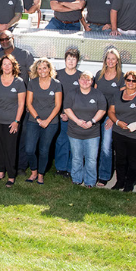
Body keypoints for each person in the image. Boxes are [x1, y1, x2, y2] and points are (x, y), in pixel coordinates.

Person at [21, 58, 63, 184]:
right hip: (34, 121)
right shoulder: (32, 83)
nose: (42, 71)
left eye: (44, 68)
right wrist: (38, 119)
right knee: (29, 149)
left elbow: (58, 105)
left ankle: (40, 174)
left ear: (49, 69)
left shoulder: (56, 84)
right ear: (36, 70)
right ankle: (33, 171)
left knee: (44, 150)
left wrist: (47, 121)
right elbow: (28, 103)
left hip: (51, 123)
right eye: (39, 68)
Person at [0, 54, 26, 186]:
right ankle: (1, 172)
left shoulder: (19, 82)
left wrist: (16, 121)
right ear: (1, 66)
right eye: (4, 64)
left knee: (10, 148)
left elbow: (21, 104)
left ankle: (11, 175)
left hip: (11, 122)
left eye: (9, 64)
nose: (7, 66)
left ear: (13, 66)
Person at [63, 71, 106, 187]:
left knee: (91, 159)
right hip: (74, 132)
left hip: (92, 133)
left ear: (92, 82)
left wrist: (92, 122)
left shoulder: (98, 94)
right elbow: (67, 108)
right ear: (78, 80)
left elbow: (102, 109)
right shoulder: (72, 93)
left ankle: (90, 181)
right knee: (76, 158)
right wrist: (77, 121)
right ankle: (76, 179)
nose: (85, 82)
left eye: (88, 80)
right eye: (83, 79)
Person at [94, 47, 123, 187]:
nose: (110, 61)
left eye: (113, 58)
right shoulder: (99, 74)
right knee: (95, 146)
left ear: (117, 61)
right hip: (96, 115)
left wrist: (112, 118)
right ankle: (93, 173)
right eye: (108, 58)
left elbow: (121, 100)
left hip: (109, 117)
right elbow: (93, 94)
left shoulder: (121, 78)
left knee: (106, 146)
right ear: (105, 60)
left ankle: (104, 176)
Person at [54, 46, 83, 176]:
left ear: (77, 61)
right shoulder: (57, 75)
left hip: (76, 116)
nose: (71, 61)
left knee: (74, 143)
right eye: (69, 59)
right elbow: (53, 95)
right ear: (65, 60)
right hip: (61, 115)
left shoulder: (81, 76)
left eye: (74, 59)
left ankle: (71, 168)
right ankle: (61, 168)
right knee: (61, 141)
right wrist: (61, 113)